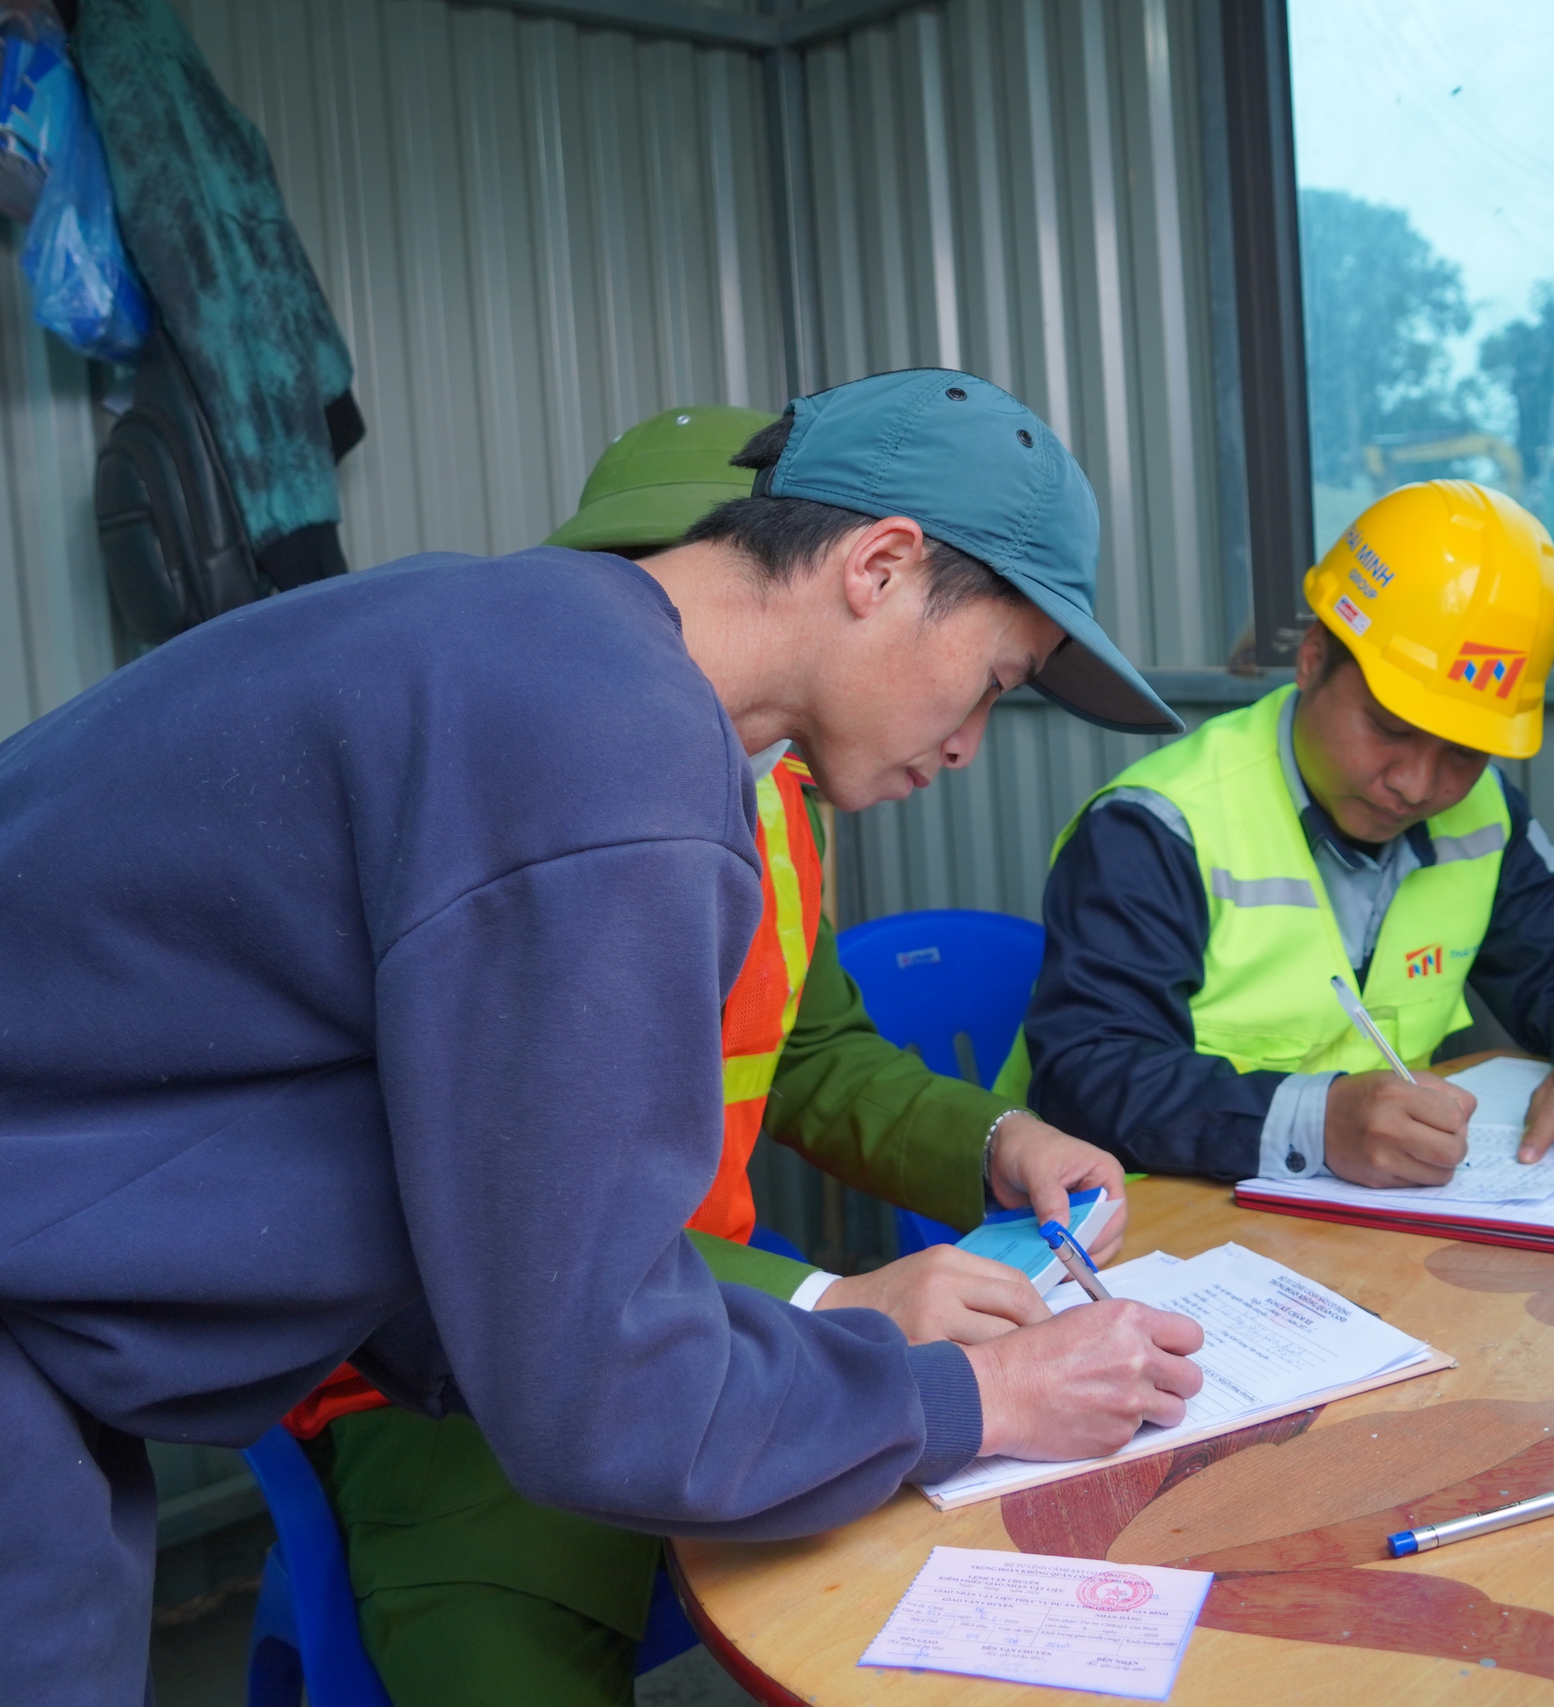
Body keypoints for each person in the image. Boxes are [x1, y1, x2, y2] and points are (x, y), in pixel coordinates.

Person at [0, 368, 1203, 1703]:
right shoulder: (606, 747)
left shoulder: (518, 647)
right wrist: (976, 1396)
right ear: (878, 567)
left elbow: (493, 1245)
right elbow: (597, 1389)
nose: (970, 741)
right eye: (994, 683)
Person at [296, 403, 1133, 1706]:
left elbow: (811, 1052)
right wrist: (832, 1302)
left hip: (720, 1332)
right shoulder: (498, 798)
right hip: (457, 1395)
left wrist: (992, 1137)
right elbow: (492, 1233)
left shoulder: (778, 790)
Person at [1003, 479, 1554, 1190]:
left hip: (1360, 1226)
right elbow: (1088, 1076)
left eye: (1465, 751)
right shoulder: (1156, 827)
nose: (1418, 785)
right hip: (1138, 1225)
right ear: (1313, 657)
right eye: (1390, 727)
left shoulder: (1484, 814)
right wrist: (1316, 1122)